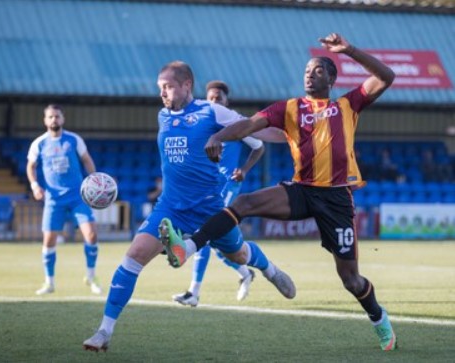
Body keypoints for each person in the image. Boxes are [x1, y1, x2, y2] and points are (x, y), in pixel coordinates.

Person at [161, 33, 398, 351]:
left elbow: (387, 77)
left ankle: (379, 319)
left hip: (337, 198)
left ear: (331, 77)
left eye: (316, 70)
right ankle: (189, 247)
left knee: (351, 280)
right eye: (306, 70)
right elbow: (248, 125)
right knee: (243, 202)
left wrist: (350, 50)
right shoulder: (289, 108)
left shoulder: (348, 105)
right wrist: (220, 138)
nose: (309, 74)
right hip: (301, 190)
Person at [83, 61, 295, 352]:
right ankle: (104, 331)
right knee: (133, 257)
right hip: (170, 207)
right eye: (160, 88)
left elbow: (255, 129)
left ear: (186, 86)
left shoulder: (212, 111)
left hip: (210, 208)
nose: (163, 93)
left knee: (239, 253)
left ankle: (269, 269)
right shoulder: (163, 116)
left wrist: (294, 135)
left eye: (168, 87)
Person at [172, 80, 269, 306]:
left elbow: (259, 146)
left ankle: (194, 292)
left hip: (227, 186)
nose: (214, 101)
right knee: (217, 244)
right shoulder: (201, 122)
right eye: (211, 98)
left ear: (227, 101)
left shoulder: (235, 123)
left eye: (219, 98)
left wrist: (244, 170)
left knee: (204, 232)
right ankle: (245, 273)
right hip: (206, 187)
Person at [27, 104, 102, 295]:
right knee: (49, 240)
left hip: (77, 197)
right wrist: (35, 186)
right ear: (45, 120)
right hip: (53, 200)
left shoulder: (73, 140)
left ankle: (91, 277)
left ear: (63, 118)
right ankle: (49, 282)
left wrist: (95, 181)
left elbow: (87, 160)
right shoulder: (39, 143)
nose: (54, 120)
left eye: (57, 116)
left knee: (92, 235)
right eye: (50, 117)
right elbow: (31, 167)